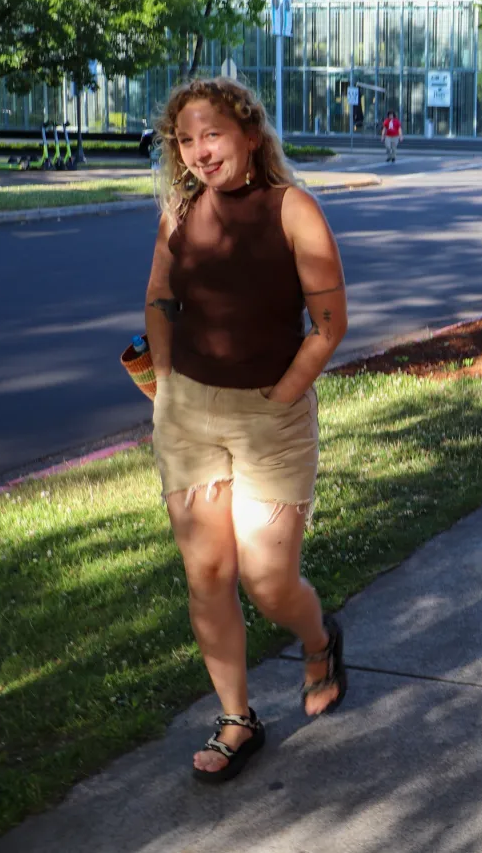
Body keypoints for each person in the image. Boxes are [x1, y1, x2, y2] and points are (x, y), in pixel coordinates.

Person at [143, 76, 350, 782]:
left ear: (249, 136)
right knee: (207, 572)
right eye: (186, 139)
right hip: (187, 415)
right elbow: (160, 300)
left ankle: (319, 638)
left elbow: (329, 325)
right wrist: (167, 381)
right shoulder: (179, 212)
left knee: (267, 579)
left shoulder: (293, 209)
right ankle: (237, 716)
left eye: (213, 135)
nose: (200, 151)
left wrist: (281, 394)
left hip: (271, 416)